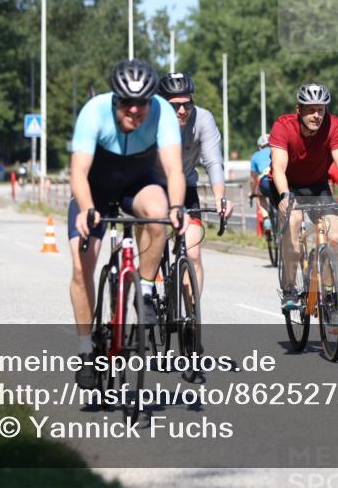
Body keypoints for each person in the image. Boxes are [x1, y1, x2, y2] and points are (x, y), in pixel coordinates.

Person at [68, 59, 188, 389]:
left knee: (159, 212)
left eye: (143, 103)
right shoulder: (93, 112)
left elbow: (174, 170)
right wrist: (86, 208)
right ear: (114, 99)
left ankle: (145, 290)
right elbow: (78, 172)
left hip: (137, 183)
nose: (135, 110)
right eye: (127, 103)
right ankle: (85, 351)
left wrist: (177, 206)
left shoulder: (162, 112)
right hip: (96, 188)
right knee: (82, 266)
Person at [259, 83, 338, 311]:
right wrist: (285, 196)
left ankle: (326, 290)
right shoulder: (283, 126)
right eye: (311, 109)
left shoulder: (334, 125)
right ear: (299, 109)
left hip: (317, 185)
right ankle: (289, 289)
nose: (317, 115)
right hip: (287, 184)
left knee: (335, 234)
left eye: (321, 109)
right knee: (294, 222)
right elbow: (278, 166)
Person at [156, 71, 232, 298]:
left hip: (186, 188)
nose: (182, 110)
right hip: (155, 188)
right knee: (153, 243)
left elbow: (213, 161)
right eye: (175, 105)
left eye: (187, 104)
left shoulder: (203, 119)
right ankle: (148, 293)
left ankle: (191, 316)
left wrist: (220, 197)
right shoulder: (151, 118)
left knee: (193, 253)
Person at [249, 134, 272, 224]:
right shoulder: (278, 150)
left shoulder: (256, 156)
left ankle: (266, 220)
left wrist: (252, 192)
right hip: (279, 180)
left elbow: (252, 179)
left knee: (260, 195)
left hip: (265, 181)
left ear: (260, 146)